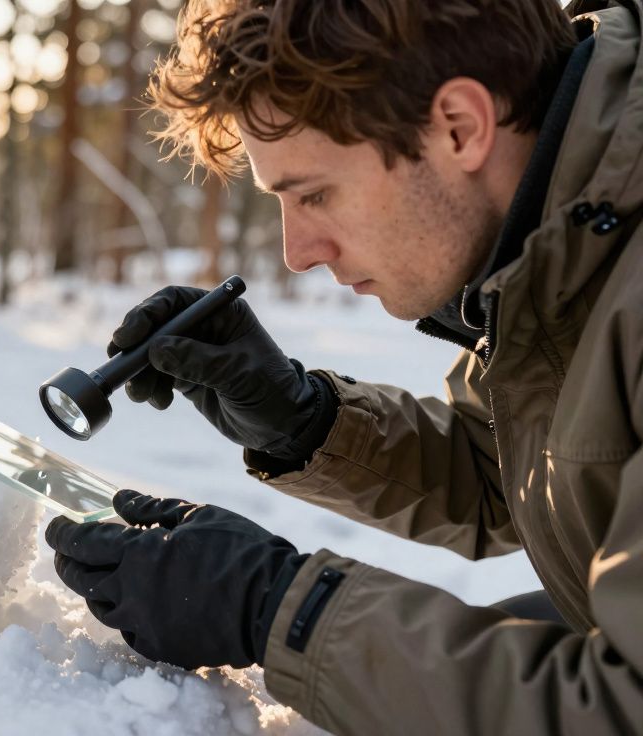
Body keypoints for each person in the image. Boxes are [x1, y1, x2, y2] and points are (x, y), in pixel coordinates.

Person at [43, 0, 643, 732]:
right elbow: (521, 472)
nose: (299, 253)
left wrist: (277, 609)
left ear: (460, 126)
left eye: (317, 193)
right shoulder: (568, 240)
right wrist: (305, 419)